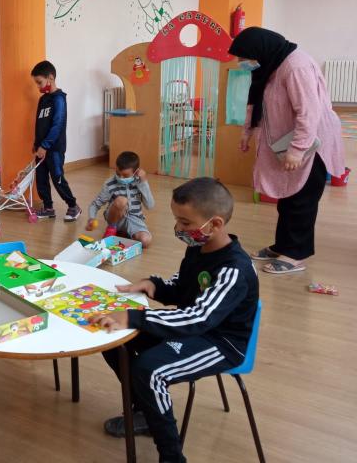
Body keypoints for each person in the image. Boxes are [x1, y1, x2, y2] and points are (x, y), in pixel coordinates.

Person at [92, 177, 259, 463]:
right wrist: (154, 285)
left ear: (215, 224)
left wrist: (134, 316)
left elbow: (198, 317)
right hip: (194, 326)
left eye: (185, 222)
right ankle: (145, 411)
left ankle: (172, 456)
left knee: (149, 370)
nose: (178, 229)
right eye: (177, 220)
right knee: (115, 339)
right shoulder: (197, 248)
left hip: (221, 342)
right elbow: (182, 289)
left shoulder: (234, 269)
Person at [229, 27, 345, 274]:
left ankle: (295, 254)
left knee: (302, 199)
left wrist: (298, 149)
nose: (241, 62)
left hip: (311, 141)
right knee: (288, 196)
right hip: (289, 140)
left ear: (260, 50)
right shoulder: (270, 65)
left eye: (243, 57)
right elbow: (256, 102)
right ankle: (282, 246)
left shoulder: (295, 67)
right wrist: (247, 131)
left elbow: (309, 112)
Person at [30, 60, 82, 221]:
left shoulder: (59, 99)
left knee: (57, 178)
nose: (38, 87)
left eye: (39, 82)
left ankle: (73, 206)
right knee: (41, 178)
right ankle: (48, 208)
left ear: (50, 78)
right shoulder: (43, 100)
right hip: (41, 148)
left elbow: (57, 124)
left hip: (54, 149)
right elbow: (39, 124)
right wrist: (37, 144)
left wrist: (45, 145)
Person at [86, 150, 154, 247]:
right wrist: (91, 218)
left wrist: (144, 182)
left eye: (125, 175)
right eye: (118, 173)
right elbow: (95, 204)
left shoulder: (140, 183)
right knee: (122, 200)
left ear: (136, 172)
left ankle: (124, 233)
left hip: (134, 220)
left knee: (145, 240)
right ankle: (111, 229)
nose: (121, 178)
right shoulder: (110, 183)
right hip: (114, 218)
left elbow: (150, 206)